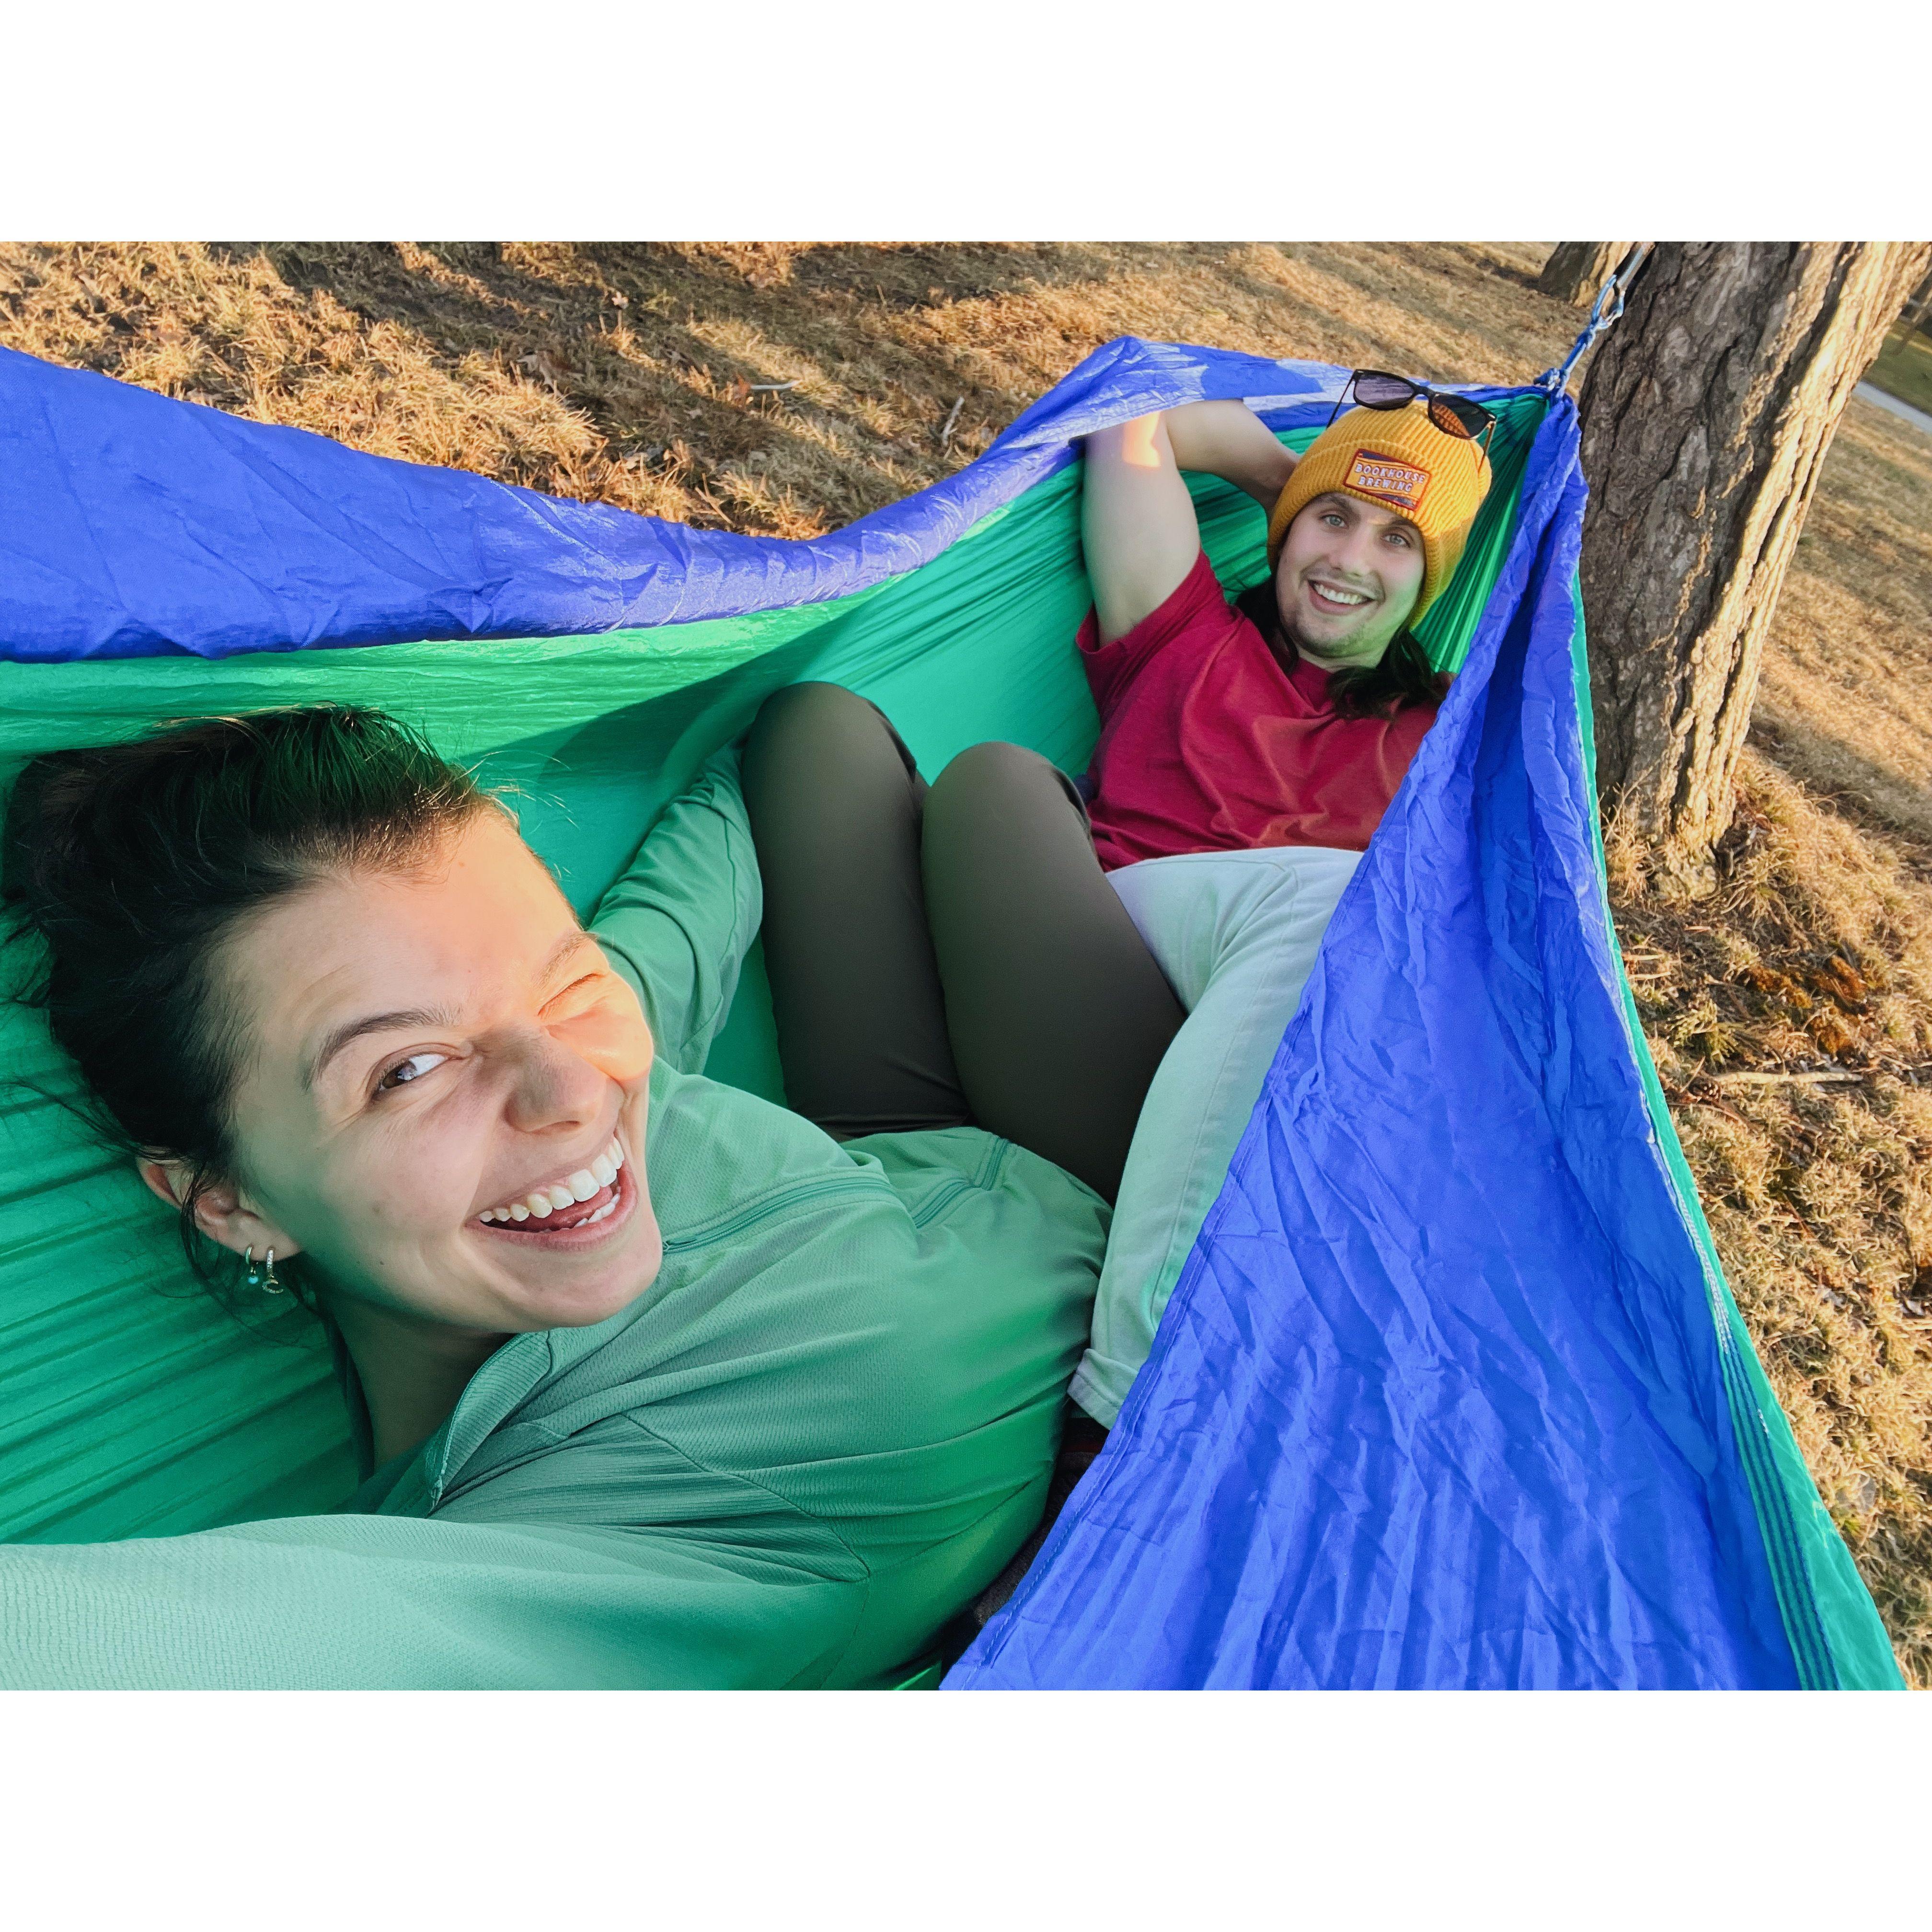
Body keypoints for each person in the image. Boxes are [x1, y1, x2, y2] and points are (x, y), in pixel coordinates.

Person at [0, 696, 1181, 1689]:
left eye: (566, 982)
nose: (575, 1091)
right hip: (1110, 1210)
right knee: (1000, 794)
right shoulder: (578, 1542)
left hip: (886, 1154)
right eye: (406, 1069)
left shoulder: (576, 1079)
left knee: (808, 728)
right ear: (228, 1203)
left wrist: (762, 676)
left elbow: (668, 932)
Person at [1062, 376, 1496, 1427]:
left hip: (1290, 1071)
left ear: (1430, 581)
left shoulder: (1446, 733)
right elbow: (1135, 421)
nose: (1352, 560)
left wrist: (1329, 503)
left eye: (1399, 542)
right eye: (1334, 523)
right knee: (1335, 899)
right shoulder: (1184, 632)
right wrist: (1288, 483)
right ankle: (1119, 1407)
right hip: (1112, 976)